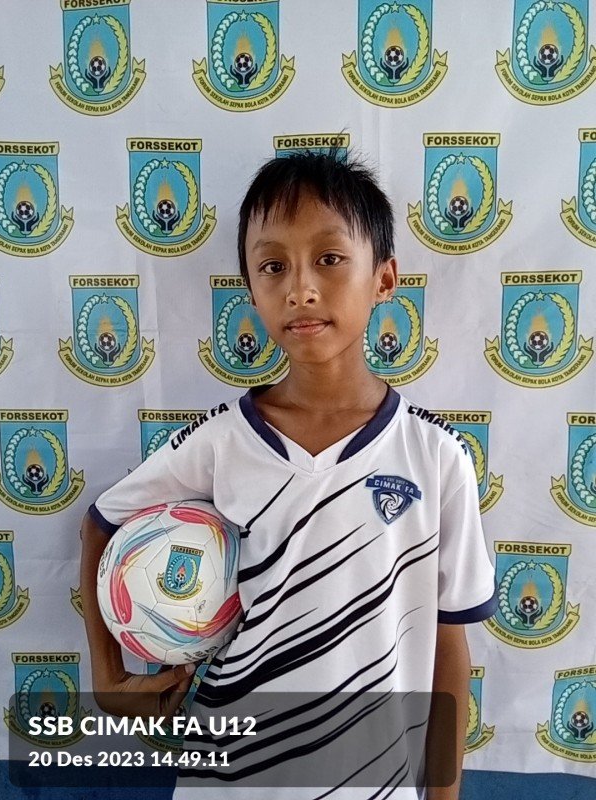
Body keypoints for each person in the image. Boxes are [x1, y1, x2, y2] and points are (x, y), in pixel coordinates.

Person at [80, 150, 497, 800]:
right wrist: (109, 679)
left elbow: (449, 644)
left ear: (385, 278)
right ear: (250, 291)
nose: (300, 288)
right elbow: (101, 524)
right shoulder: (223, 440)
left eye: (329, 258)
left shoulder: (437, 456)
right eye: (273, 266)